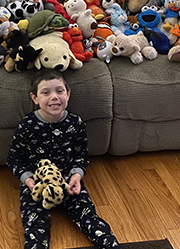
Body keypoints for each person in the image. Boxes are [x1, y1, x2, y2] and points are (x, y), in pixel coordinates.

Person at [7, 69, 121, 248]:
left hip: (68, 181)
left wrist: (77, 176)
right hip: (37, 184)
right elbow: (14, 159)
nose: (54, 97)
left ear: (67, 94)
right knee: (35, 230)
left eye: (59, 91)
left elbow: (81, 156)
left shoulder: (75, 123)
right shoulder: (27, 125)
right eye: (46, 92)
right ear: (35, 98)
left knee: (90, 219)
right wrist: (28, 181)